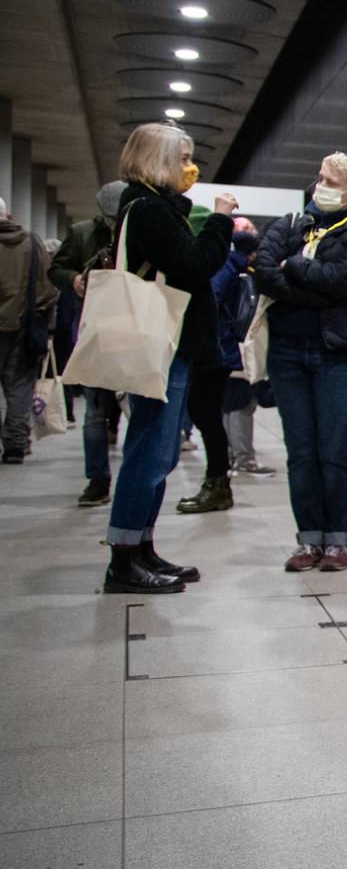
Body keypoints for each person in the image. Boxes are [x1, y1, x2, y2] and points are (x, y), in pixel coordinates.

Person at [99, 125, 237, 593]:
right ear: (156, 160)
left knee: (156, 451)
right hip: (162, 343)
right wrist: (219, 221)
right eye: (181, 158)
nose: (189, 167)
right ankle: (124, 560)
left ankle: (142, 546)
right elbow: (196, 265)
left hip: (168, 342)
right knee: (150, 452)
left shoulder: (152, 208)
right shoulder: (150, 210)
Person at [253, 152, 347, 573]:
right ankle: (308, 539)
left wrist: (294, 267)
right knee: (301, 451)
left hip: (339, 355)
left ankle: (336, 542)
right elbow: (263, 271)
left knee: (336, 449)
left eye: (330, 180)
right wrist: (316, 284)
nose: (319, 185)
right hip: (288, 351)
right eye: (319, 176)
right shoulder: (290, 224)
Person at [173, 217, 254, 513]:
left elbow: (212, 302)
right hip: (215, 349)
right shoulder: (230, 263)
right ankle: (218, 482)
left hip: (211, 350)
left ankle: (218, 483)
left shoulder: (217, 265)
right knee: (209, 417)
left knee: (207, 417)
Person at [49, 182, 125, 500]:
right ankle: (98, 480)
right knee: (95, 412)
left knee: (119, 410)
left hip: (130, 331)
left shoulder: (142, 232)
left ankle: (121, 483)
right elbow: (57, 269)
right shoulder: (82, 233)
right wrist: (75, 280)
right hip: (94, 327)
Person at [0, 196, 58, 464]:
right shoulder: (33, 244)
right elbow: (48, 289)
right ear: (8, 216)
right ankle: (14, 445)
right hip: (23, 329)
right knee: (20, 387)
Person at [217, 221, 272, 478]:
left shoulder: (220, 265)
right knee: (240, 401)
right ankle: (243, 458)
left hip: (223, 345)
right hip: (236, 344)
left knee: (228, 402)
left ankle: (230, 455)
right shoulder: (239, 270)